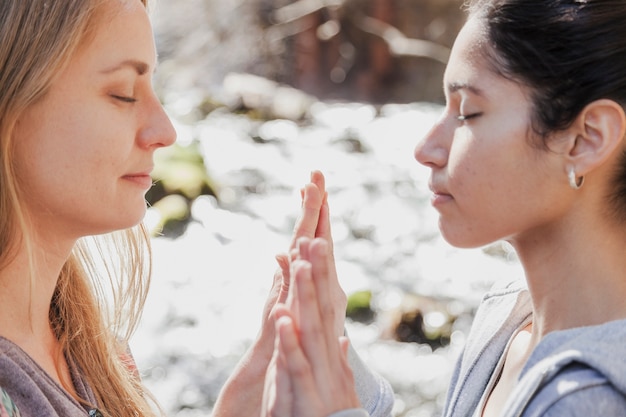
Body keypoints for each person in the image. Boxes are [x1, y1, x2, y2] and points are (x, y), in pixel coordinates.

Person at [0, 1, 394, 416]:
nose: (165, 131)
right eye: (123, 93)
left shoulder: (97, 352)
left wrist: (254, 387)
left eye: (156, 87)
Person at [260, 0, 626, 416]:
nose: (426, 149)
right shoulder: (507, 321)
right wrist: (328, 356)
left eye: (468, 112)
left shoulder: (595, 395)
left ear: (586, 139)